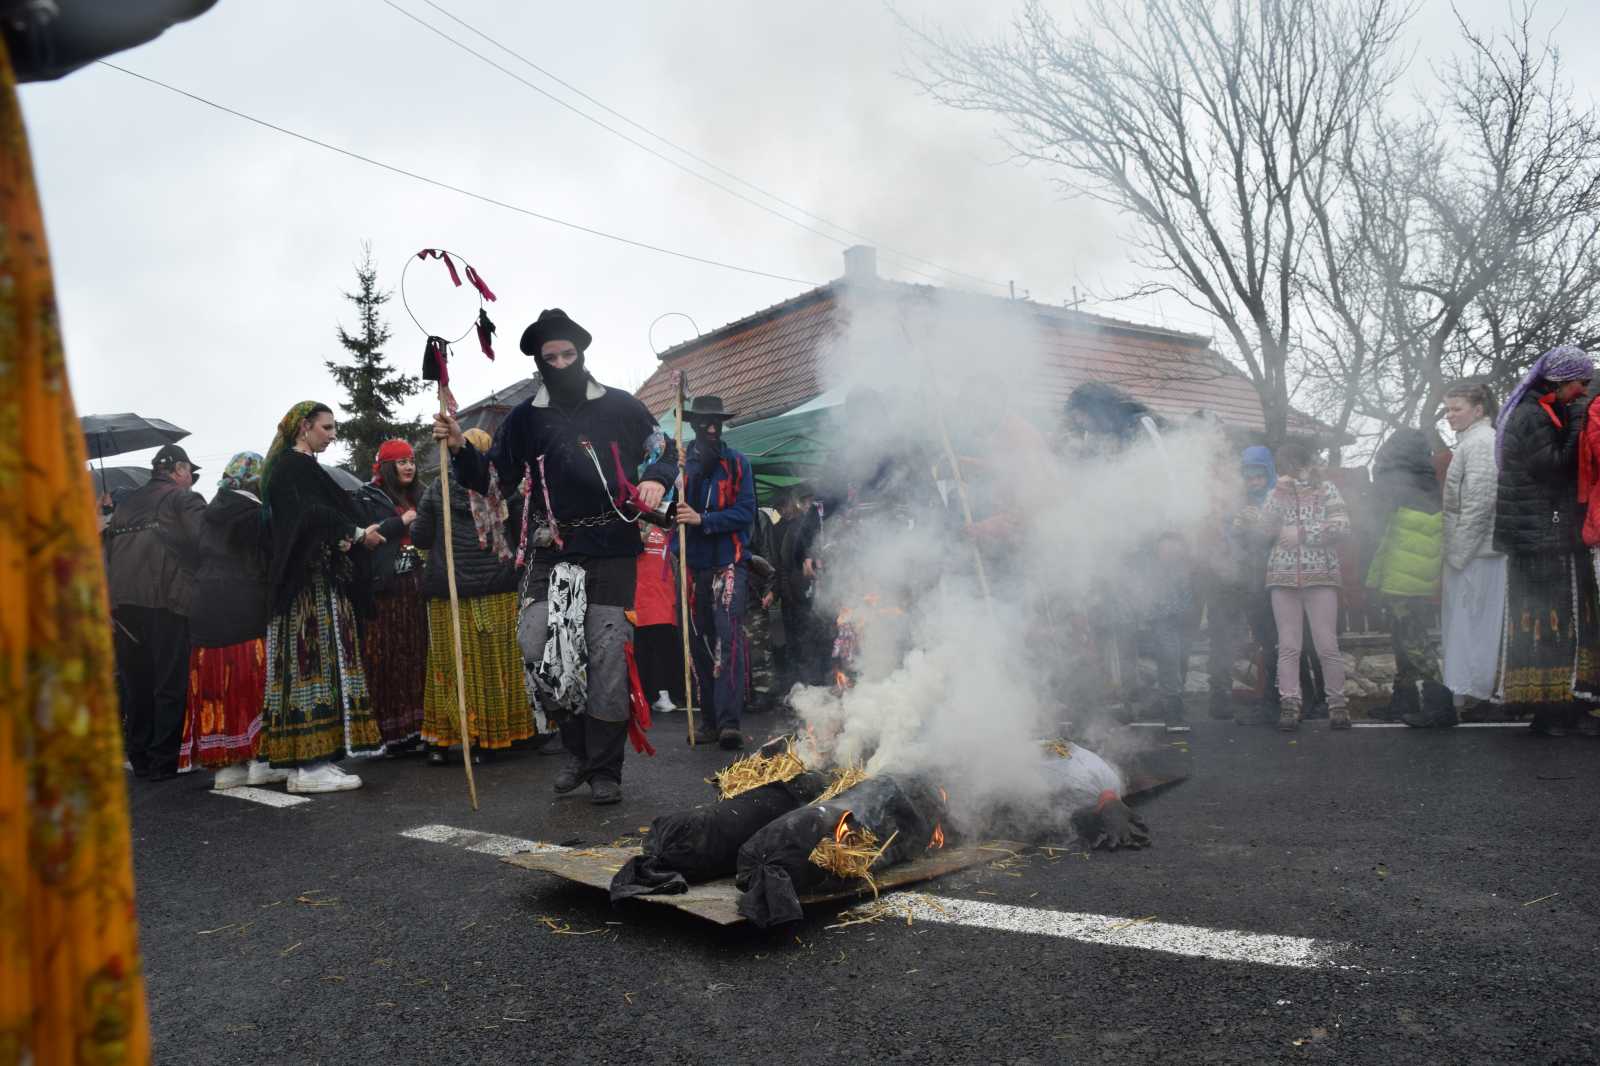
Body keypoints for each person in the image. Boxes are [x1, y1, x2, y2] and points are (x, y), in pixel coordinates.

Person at [3, 4, 217, 1059]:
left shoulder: (138, 505)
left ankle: (147, 759)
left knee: (148, 686)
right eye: (179, 466)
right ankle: (152, 761)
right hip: (142, 602)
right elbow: (185, 537)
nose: (180, 473)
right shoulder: (149, 503)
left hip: (139, 599)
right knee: (150, 685)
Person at [433, 309, 675, 804]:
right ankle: (577, 749)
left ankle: (606, 768)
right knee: (536, 643)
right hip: (551, 547)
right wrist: (460, 448)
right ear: (540, 364)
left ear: (581, 355)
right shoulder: (525, 419)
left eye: (569, 354)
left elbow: (662, 447)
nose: (562, 363)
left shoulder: (621, 407)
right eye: (551, 357)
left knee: (606, 655)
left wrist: (657, 478)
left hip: (611, 545)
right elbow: (493, 479)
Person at [259, 402, 386, 791]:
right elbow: (311, 517)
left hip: (306, 584)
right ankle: (310, 767)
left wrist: (349, 533)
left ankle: (300, 762)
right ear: (304, 427)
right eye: (326, 428)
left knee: (303, 668)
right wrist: (356, 531)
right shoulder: (292, 468)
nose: (332, 435)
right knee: (312, 664)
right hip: (309, 588)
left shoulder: (293, 468)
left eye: (334, 428)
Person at [1494, 346, 1600, 735]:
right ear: (1559, 381)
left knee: (1562, 619)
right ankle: (1550, 709)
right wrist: (1575, 424)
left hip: (1545, 533)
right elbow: (1554, 468)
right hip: (1542, 537)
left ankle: (1563, 703)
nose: (1584, 392)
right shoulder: (1534, 415)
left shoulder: (1540, 411)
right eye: (1581, 383)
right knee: (1552, 621)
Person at [412, 427, 535, 762]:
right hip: (496, 586)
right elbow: (518, 533)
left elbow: (421, 537)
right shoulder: (502, 489)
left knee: (449, 665)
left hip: (448, 591)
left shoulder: (436, 488)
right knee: (496, 663)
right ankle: (494, 737)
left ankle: (442, 740)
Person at [177, 451, 282, 787]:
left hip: (206, 613)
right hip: (245, 610)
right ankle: (260, 760)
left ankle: (226, 767)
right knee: (252, 685)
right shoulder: (256, 515)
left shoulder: (207, 514)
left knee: (216, 690)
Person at [104, 442, 206, 780]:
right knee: (168, 683)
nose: (191, 477)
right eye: (189, 471)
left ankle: (141, 757)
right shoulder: (183, 499)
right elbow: (205, 542)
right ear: (177, 469)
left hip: (123, 606)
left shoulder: (125, 503)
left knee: (136, 683)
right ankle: (163, 760)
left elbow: (106, 553)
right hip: (167, 600)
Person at [677, 395, 757, 750]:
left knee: (729, 638)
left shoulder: (737, 463)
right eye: (705, 422)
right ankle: (708, 719)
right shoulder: (680, 465)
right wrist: (674, 479)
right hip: (692, 565)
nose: (712, 428)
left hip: (729, 561)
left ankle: (728, 722)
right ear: (693, 425)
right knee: (699, 642)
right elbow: (663, 512)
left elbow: (746, 512)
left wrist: (704, 520)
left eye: (717, 422)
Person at [1260, 442, 1351, 731]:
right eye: (1288, 468)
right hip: (1282, 576)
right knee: (1288, 645)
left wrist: (1302, 533)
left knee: (1327, 644)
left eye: (1300, 466)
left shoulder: (1327, 489)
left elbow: (1342, 526)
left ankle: (1337, 704)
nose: (1297, 473)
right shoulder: (1278, 492)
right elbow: (1263, 527)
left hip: (1320, 575)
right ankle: (1290, 704)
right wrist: (1278, 492)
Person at [1365, 429, 1449, 727]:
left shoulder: (1393, 481)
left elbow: (1376, 527)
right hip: (1418, 571)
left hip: (1401, 572)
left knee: (1411, 637)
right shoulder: (1427, 481)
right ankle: (1405, 698)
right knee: (1407, 635)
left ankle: (1440, 703)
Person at [353, 439, 426, 750]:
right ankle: (391, 735)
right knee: (387, 659)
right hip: (385, 589)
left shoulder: (421, 494)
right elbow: (368, 536)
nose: (409, 466)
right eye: (401, 462)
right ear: (387, 466)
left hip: (417, 585)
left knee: (417, 655)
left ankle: (421, 728)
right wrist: (401, 521)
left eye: (411, 460)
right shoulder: (367, 495)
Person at [1441, 382, 1503, 712]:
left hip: (1477, 554)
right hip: (1474, 551)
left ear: (1478, 410)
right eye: (1447, 409)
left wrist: (1458, 554)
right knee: (1467, 626)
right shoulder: (1472, 441)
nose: (1449, 415)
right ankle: (1466, 694)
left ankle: (1471, 696)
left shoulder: (1480, 443)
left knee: (1471, 627)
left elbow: (1480, 503)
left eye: (1456, 408)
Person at [633, 522, 685, 711]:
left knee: (663, 651)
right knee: (645, 652)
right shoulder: (632, 526)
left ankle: (663, 694)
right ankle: (649, 695)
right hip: (641, 601)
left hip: (663, 600)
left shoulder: (665, 530)